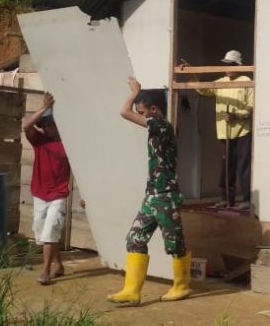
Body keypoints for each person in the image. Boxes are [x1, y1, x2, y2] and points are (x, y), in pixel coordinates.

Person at [107, 77, 191, 304]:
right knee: (135, 239)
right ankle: (131, 291)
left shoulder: (161, 125)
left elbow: (124, 112)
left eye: (142, 112)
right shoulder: (157, 127)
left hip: (166, 195)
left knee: (174, 243)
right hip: (152, 195)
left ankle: (181, 286)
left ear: (154, 110)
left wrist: (135, 92)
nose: (140, 116)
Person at [184, 50, 254, 209]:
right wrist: (191, 73)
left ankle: (246, 199)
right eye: (225, 64)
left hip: (243, 131)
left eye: (230, 64)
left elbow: (250, 107)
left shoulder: (246, 81)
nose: (227, 68)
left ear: (238, 65)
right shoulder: (220, 82)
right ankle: (226, 199)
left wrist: (236, 115)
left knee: (243, 166)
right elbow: (203, 90)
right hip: (225, 131)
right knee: (227, 165)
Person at [23, 93, 71, 285]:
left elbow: (79, 169)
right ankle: (58, 265)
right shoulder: (39, 141)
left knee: (50, 230)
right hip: (40, 193)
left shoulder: (68, 144)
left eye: (49, 124)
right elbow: (26, 126)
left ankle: (45, 271)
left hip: (58, 194)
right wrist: (44, 107)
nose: (45, 128)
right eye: (43, 125)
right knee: (44, 233)